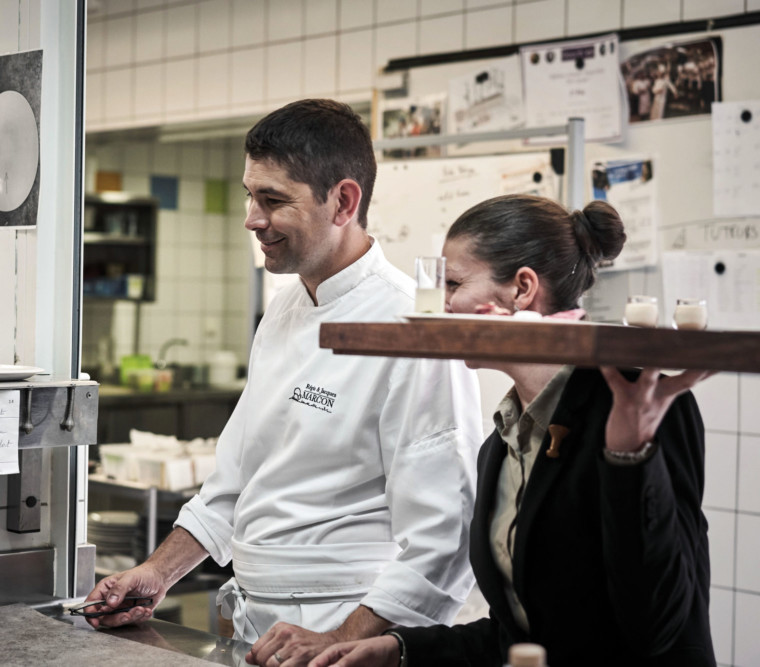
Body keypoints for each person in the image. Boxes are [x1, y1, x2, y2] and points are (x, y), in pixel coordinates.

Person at [83, 99, 484, 662]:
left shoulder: (412, 329)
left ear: (343, 201)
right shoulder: (285, 310)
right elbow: (236, 480)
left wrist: (340, 640)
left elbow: (446, 538)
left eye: (273, 200)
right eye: (251, 195)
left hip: (344, 627)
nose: (251, 217)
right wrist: (156, 571)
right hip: (256, 620)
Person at [308, 194, 716, 667]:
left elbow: (660, 624)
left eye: (454, 284)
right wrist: (402, 649)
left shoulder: (642, 404)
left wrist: (629, 457)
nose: (439, 308)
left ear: (522, 289)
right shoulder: (500, 446)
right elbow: (527, 632)